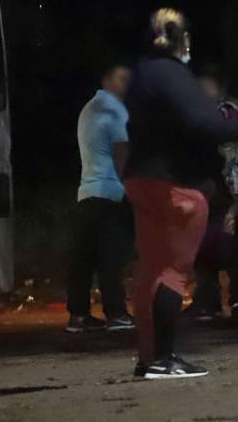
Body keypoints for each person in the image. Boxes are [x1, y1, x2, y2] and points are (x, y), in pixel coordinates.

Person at [124, 8, 238, 379]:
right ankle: (164, 358)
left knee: (151, 270)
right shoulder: (172, 73)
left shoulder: (142, 73)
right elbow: (203, 121)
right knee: (171, 270)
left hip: (140, 178)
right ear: (183, 39)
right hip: (173, 184)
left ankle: (149, 357)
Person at [65, 64, 136, 333]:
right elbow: (121, 155)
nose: (127, 84)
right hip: (111, 193)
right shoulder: (116, 111)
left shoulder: (88, 109)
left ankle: (78, 316)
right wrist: (132, 190)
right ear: (106, 79)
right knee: (111, 257)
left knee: (83, 259)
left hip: (87, 192)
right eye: (122, 78)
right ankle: (116, 314)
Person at [189, 65, 238, 321]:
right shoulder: (200, 115)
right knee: (202, 247)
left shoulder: (228, 114)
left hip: (228, 191)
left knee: (233, 246)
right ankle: (209, 300)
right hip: (207, 190)